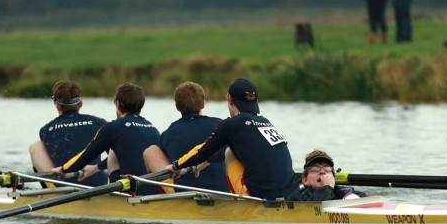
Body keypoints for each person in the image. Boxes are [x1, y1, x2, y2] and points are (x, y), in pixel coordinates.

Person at [168, 78, 299, 200]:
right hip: (291, 191)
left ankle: (238, 203)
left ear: (230, 100)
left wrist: (176, 165)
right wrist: (208, 160)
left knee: (229, 152)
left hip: (260, 196)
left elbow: (202, 151)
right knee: (233, 149)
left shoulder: (232, 124)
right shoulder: (265, 121)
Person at [57, 83, 161, 195]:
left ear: (118, 104)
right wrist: (96, 168)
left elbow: (85, 156)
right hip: (156, 192)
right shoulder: (152, 128)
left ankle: (113, 195)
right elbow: (131, 153)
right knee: (120, 146)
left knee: (113, 148)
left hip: (130, 192)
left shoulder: (113, 127)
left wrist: (63, 170)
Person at [144, 81, 229, 193]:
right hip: (221, 190)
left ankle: (161, 202)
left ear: (177, 107)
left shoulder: (168, 133)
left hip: (183, 192)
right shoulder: (221, 125)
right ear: (203, 104)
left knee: (151, 151)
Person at [29, 80, 107, 187]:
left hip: (64, 189)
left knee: (35, 146)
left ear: (57, 106)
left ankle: (52, 190)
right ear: (81, 103)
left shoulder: (46, 130)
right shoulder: (99, 123)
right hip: (99, 185)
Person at [286, 150, 365, 201]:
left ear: (332, 178)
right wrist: (327, 186)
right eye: (315, 169)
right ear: (305, 180)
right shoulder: (298, 198)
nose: (322, 172)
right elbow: (319, 205)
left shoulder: (344, 191)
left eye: (327, 169)